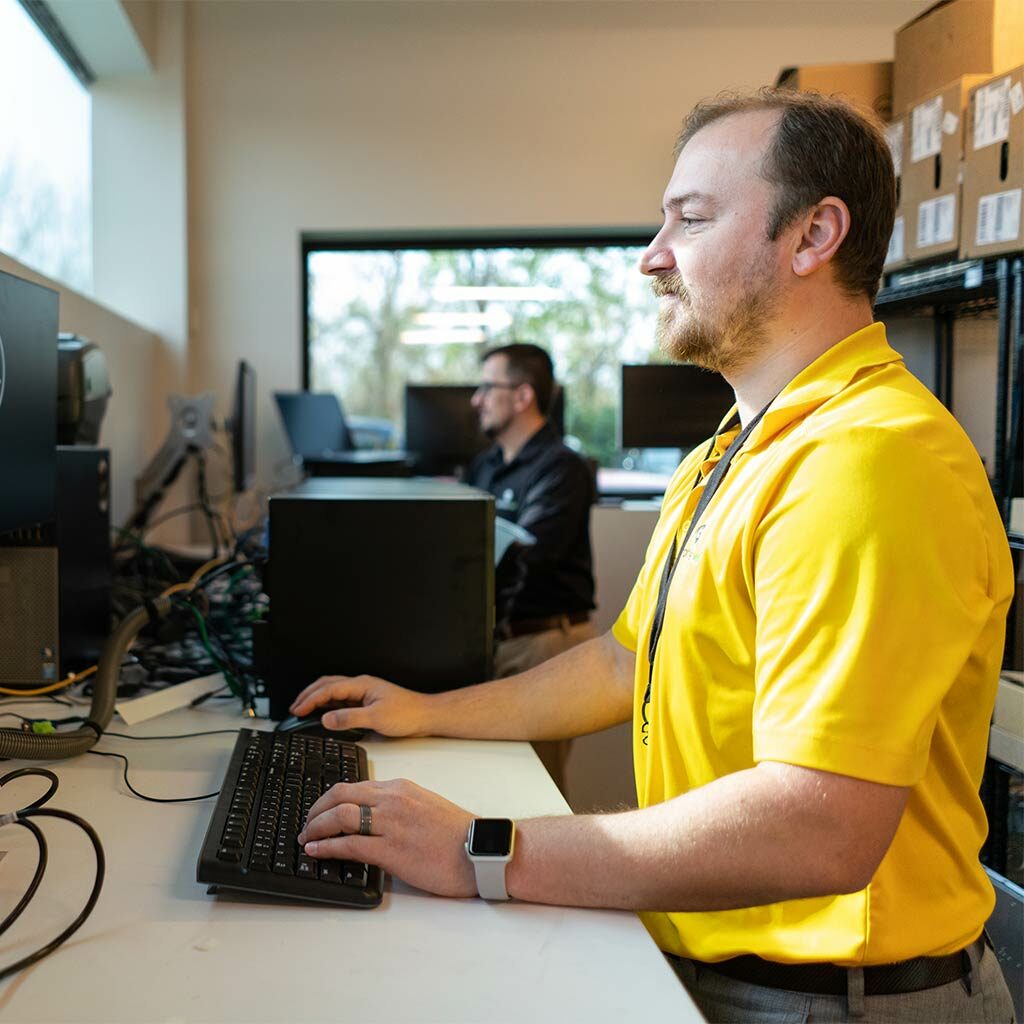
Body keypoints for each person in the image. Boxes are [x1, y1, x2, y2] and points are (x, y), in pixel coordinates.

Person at [289, 89, 1016, 1023]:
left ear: (813, 236)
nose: (651, 255)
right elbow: (626, 659)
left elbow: (820, 827)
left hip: (831, 1001)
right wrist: (428, 711)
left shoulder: (868, 460)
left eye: (693, 218)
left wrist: (482, 848)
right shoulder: (734, 450)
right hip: (729, 964)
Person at [465, 342, 597, 792]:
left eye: (487, 387)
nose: (475, 400)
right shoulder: (484, 467)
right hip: (498, 643)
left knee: (535, 791)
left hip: (544, 645)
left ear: (522, 396)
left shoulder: (562, 467)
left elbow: (527, 557)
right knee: (492, 786)